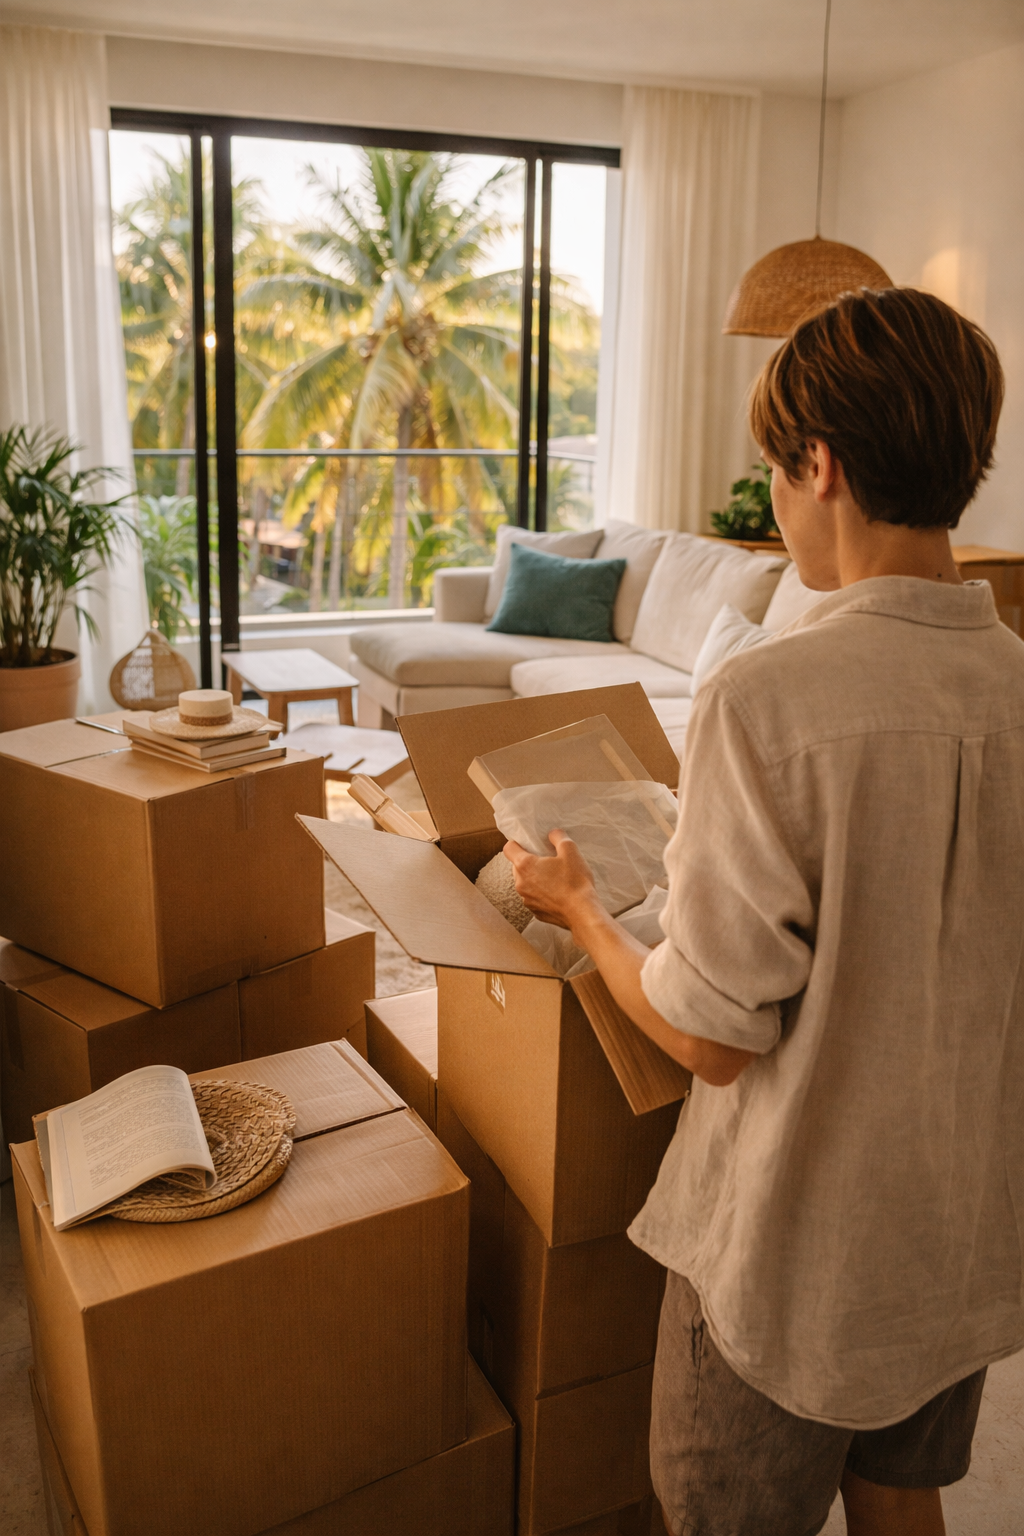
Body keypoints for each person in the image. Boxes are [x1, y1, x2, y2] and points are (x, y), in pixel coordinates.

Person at [504, 287, 1024, 1536]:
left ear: (820, 465)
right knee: (903, 1495)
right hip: (958, 1229)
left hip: (795, 1254)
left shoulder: (769, 700)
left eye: (773, 472)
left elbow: (711, 1038)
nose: (773, 504)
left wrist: (582, 908)